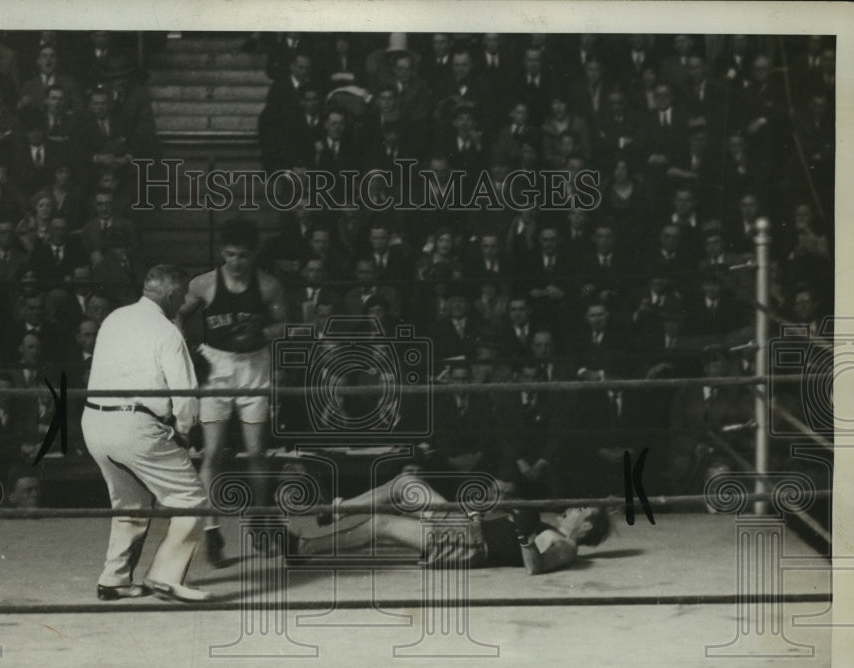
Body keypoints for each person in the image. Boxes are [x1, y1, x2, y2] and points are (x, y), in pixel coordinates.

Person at [82, 264, 211, 603]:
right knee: (191, 500)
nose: (182, 302)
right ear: (170, 295)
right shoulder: (167, 331)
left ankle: (114, 580)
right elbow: (185, 394)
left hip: (94, 422)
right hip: (135, 426)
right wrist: (185, 431)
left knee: (131, 502)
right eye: (181, 296)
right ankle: (165, 578)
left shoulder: (115, 318)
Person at [180, 218, 287, 567]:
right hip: (216, 367)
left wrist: (262, 334)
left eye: (242, 255)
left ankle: (258, 518)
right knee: (212, 452)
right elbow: (175, 315)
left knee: (257, 451)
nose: (236, 262)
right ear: (221, 253)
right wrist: (187, 351)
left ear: (253, 254)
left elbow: (284, 324)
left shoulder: (269, 286)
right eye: (229, 255)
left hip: (254, 366)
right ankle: (212, 531)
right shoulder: (205, 284)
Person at [285, 471, 610, 574]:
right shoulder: (549, 527)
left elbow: (536, 568)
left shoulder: (566, 547)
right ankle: (338, 509)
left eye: (582, 509)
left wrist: (524, 533)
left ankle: (302, 547)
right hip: (467, 526)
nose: (572, 507)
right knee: (406, 484)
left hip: (469, 544)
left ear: (588, 527)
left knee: (381, 525)